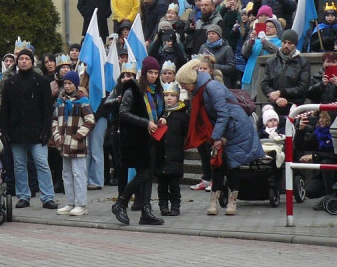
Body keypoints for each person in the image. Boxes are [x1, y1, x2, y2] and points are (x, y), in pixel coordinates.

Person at [177, 59, 264, 216]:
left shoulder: (212, 87)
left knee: (232, 165)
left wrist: (216, 138)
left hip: (235, 129)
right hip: (224, 128)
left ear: (191, 80)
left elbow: (223, 113)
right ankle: (214, 202)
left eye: (183, 83)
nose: (182, 87)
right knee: (218, 165)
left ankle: (232, 202)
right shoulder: (200, 90)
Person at [111, 56, 166, 225]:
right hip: (137, 138)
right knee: (143, 174)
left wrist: (163, 117)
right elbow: (123, 113)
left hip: (154, 138)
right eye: (150, 72)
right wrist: (146, 123)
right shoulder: (133, 90)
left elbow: (160, 110)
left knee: (148, 174)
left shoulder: (157, 91)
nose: (154, 76)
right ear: (144, 73)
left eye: (156, 73)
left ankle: (146, 211)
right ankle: (121, 203)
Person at [0, 47, 56, 209]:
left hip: (37, 131)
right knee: (19, 165)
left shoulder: (42, 81)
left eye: (27, 59)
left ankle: (47, 197)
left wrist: (46, 130)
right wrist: (5, 131)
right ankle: (23, 195)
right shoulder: (10, 82)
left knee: (42, 163)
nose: (23, 61)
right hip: (16, 131)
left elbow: (47, 109)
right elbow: (5, 109)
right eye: (21, 59)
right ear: (17, 62)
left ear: (32, 62)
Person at [51, 70, 94, 217]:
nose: (67, 86)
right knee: (67, 174)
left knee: (79, 174)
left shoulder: (82, 101)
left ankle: (81, 204)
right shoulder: (61, 101)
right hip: (64, 144)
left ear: (76, 84)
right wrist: (57, 136)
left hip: (77, 144)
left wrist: (77, 136)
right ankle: (70, 202)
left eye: (70, 83)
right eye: (65, 83)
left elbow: (90, 121)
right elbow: (55, 120)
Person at [260, 29, 311, 117]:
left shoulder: (303, 63)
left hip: (294, 107)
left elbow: (303, 87)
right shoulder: (271, 61)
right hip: (274, 106)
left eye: (290, 43)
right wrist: (277, 98)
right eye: (284, 42)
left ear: (295, 45)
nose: (286, 45)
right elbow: (264, 84)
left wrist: (281, 92)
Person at [158, 81, 188, 216]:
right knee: (162, 184)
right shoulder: (160, 113)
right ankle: (163, 206)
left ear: (178, 97)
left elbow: (186, 133)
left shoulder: (181, 115)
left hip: (175, 153)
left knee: (174, 184)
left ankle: (175, 206)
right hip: (161, 153)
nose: (169, 98)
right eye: (166, 95)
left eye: (172, 95)